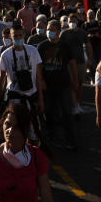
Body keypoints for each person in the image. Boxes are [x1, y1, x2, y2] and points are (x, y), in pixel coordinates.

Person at [37, 20, 78, 151]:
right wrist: (41, 80)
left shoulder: (65, 46)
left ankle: (70, 140)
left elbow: (72, 64)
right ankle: (50, 136)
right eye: (48, 29)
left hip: (63, 84)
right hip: (47, 85)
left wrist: (75, 81)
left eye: (52, 29)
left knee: (66, 112)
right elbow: (38, 67)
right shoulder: (41, 46)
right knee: (48, 111)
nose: (49, 32)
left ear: (59, 32)